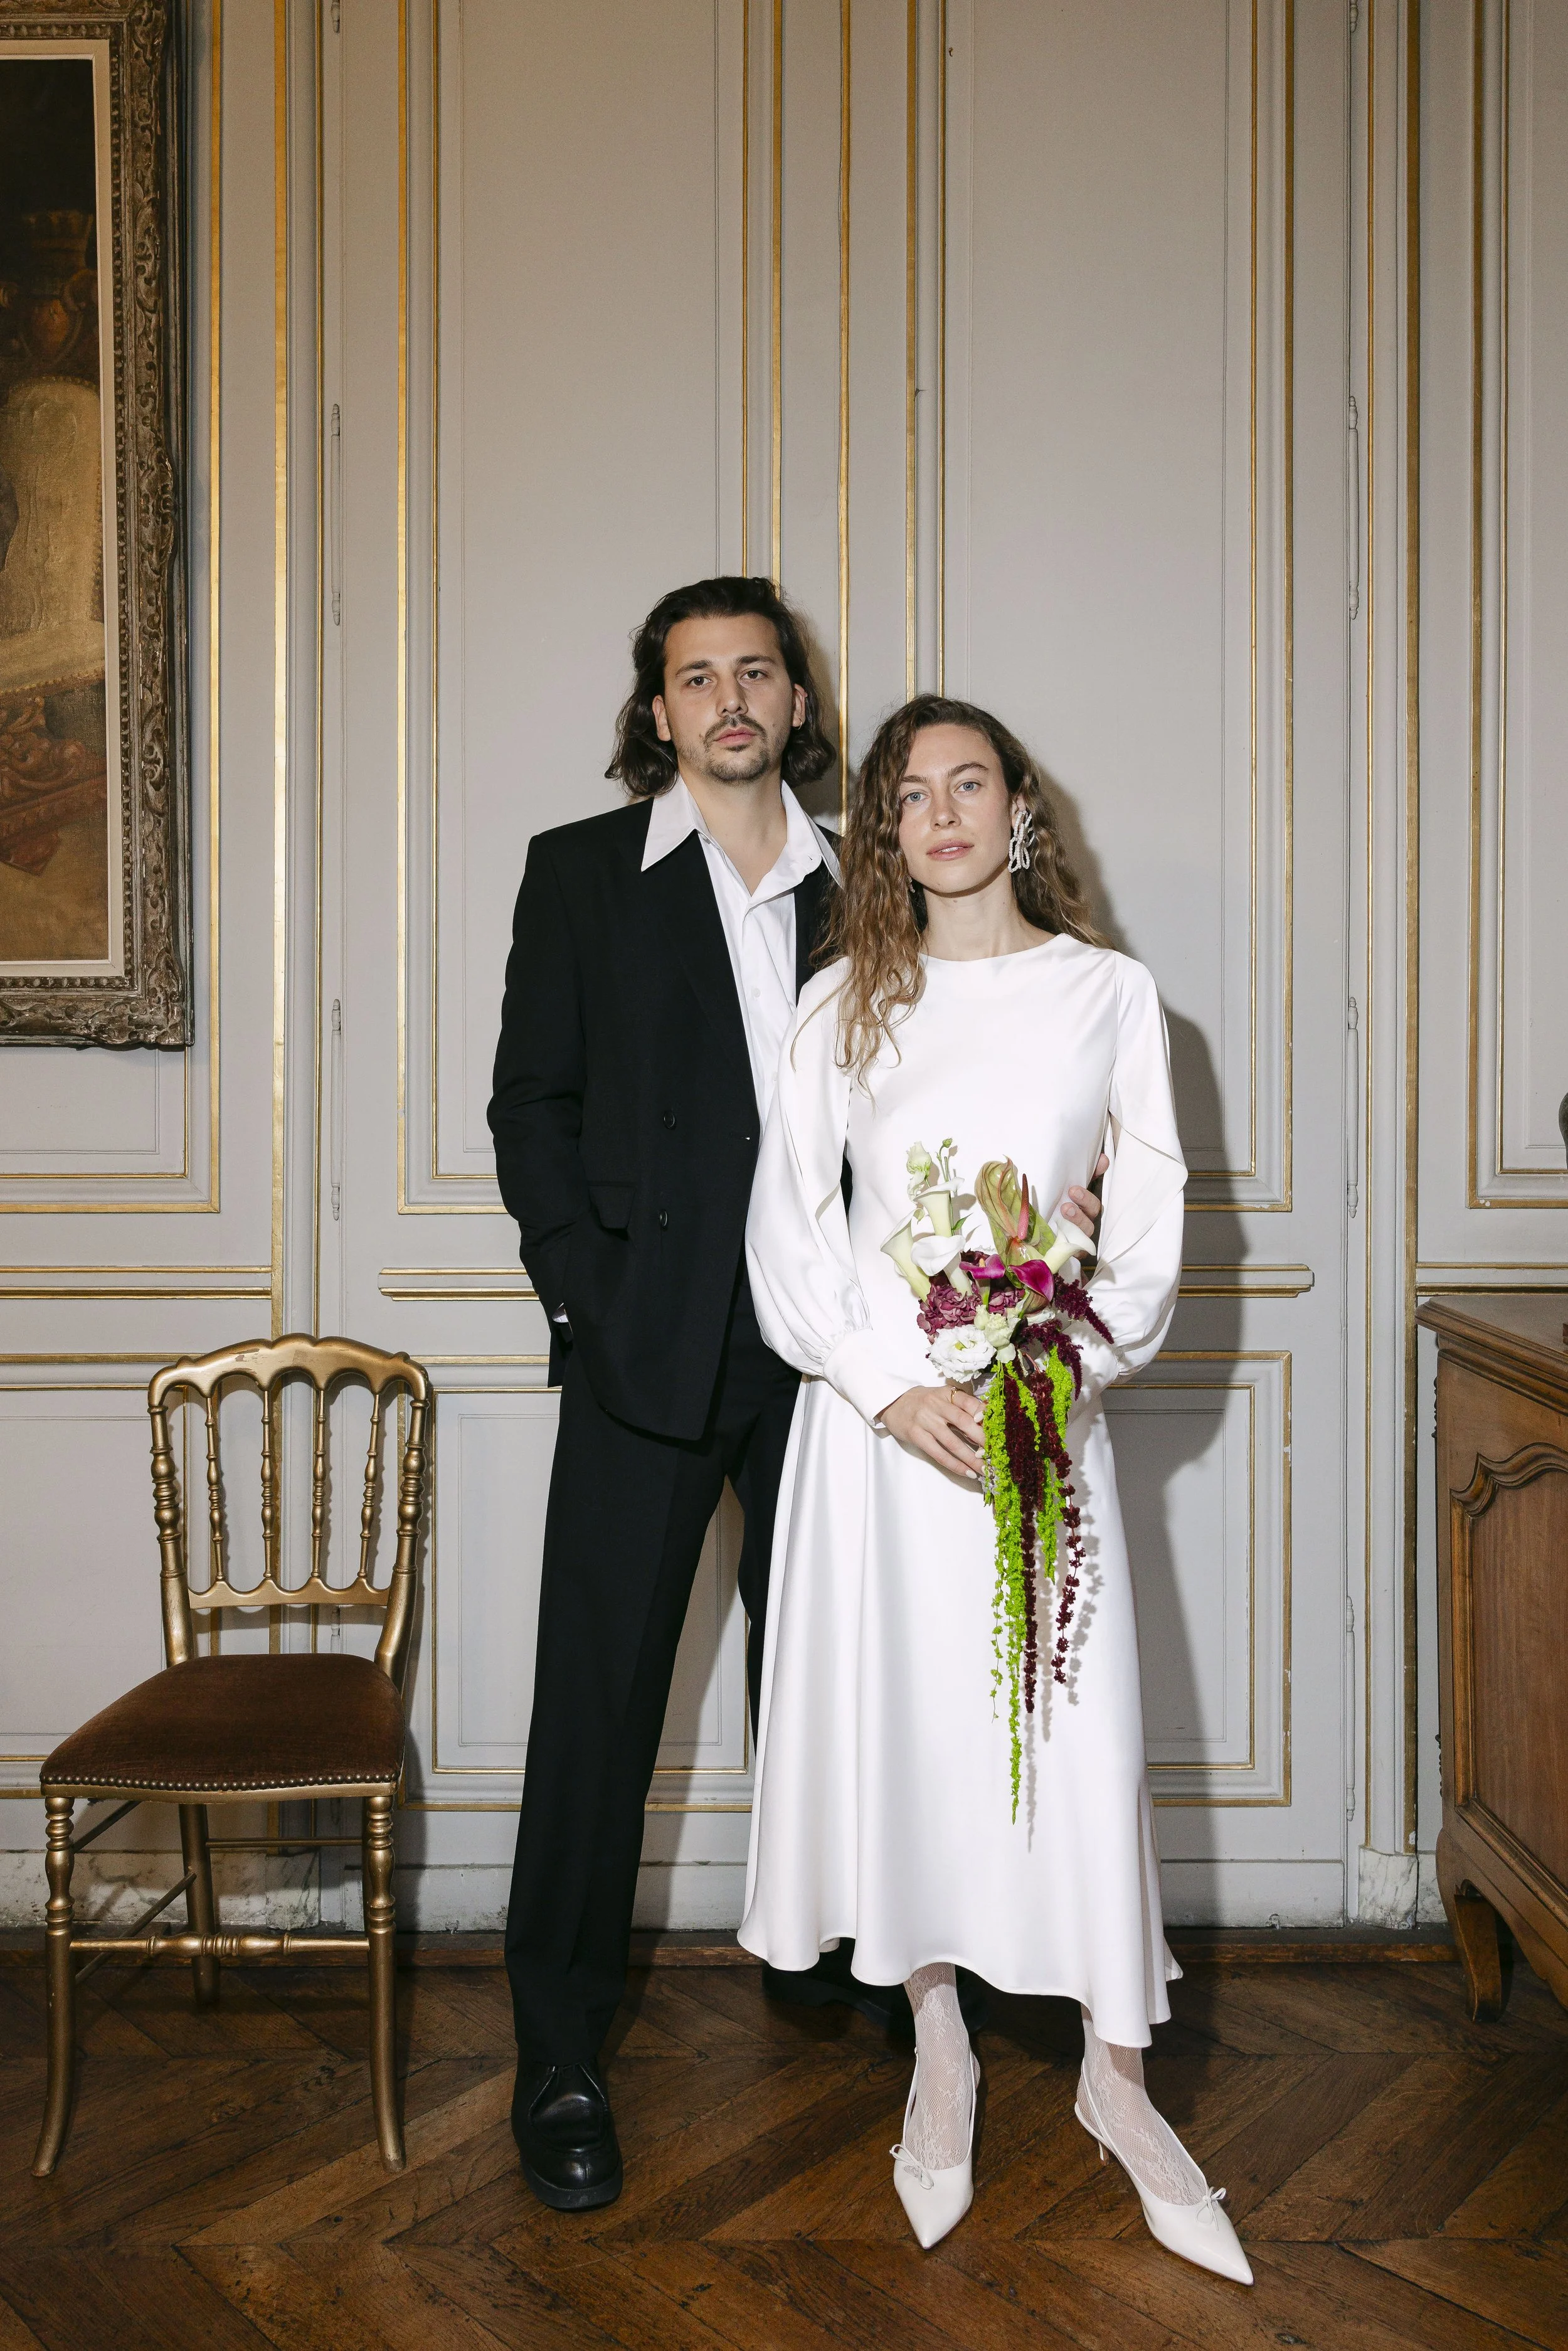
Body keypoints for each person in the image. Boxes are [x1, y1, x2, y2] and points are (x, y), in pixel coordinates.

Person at [489, 575, 1113, 2211]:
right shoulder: (578, 878)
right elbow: (527, 1109)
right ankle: (557, 2049)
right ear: (658, 711)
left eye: (754, 670)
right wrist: (589, 1296)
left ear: (793, 697)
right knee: (594, 1713)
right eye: (694, 677)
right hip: (642, 1359)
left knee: (862, 1685)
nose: (728, 699)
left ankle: (870, 1979)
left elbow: (972, 1071)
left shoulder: (870, 883)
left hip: (838, 1372)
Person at [738, 694, 1253, 2283]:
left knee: (1061, 1731)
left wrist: (1056, 1373)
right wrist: (886, 1389)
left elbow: (1152, 1226)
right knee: (913, 1734)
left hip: (1036, 1415)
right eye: (910, 793)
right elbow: (789, 1230)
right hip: (882, 1440)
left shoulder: (1110, 994)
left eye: (971, 783)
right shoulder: (843, 1004)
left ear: (1020, 805)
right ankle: (939, 2045)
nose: (942, 812)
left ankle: (1115, 2078)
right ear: (884, 829)